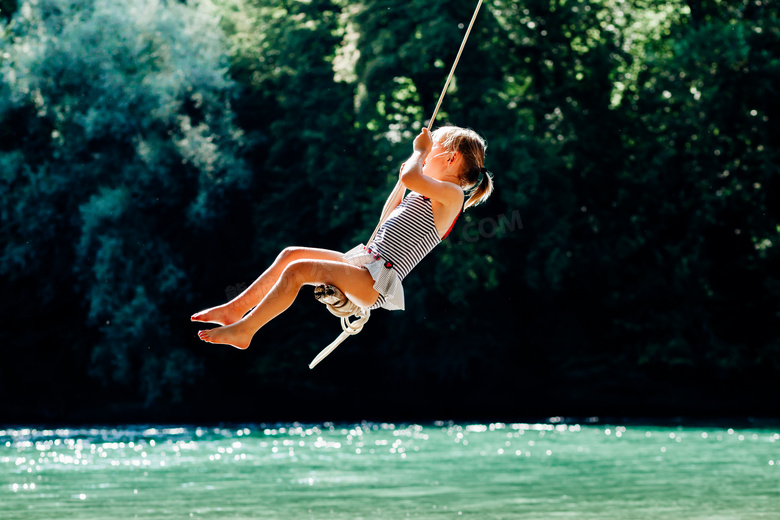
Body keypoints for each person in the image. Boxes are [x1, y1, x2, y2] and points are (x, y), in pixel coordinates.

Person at [192, 125, 494, 349]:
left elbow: (411, 176)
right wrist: (405, 180)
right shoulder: (430, 192)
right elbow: (390, 211)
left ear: (451, 158)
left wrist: (418, 152)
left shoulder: (453, 196)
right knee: (291, 255)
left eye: (434, 149)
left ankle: (247, 330)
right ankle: (235, 309)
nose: (427, 155)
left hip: (376, 279)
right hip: (366, 261)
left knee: (299, 271)